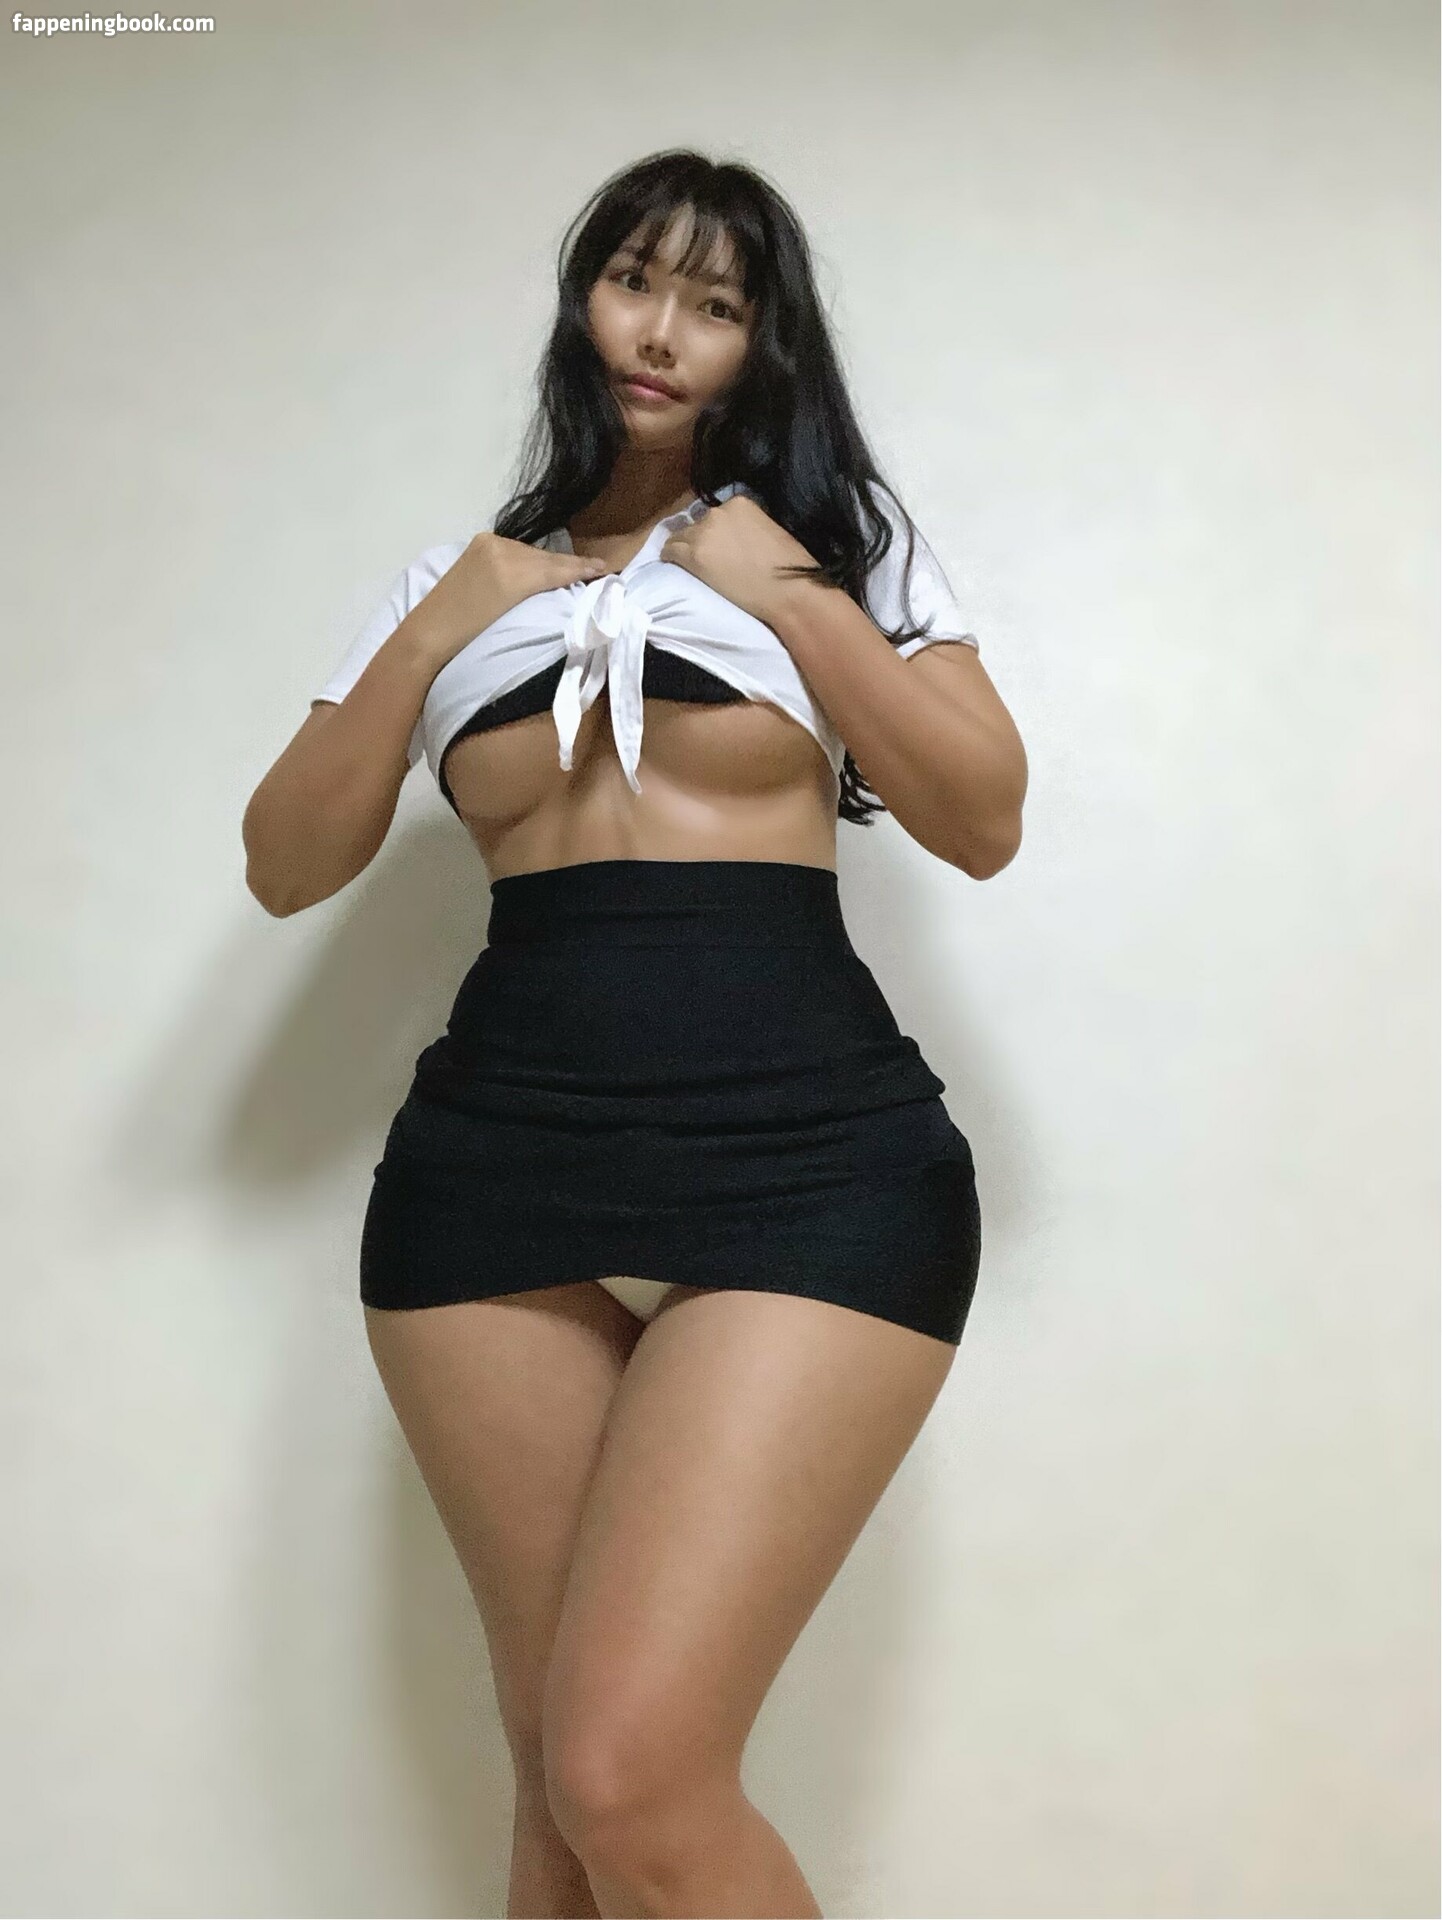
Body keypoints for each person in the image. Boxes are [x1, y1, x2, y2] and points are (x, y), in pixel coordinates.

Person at [243, 148, 1027, 1920]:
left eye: (715, 304)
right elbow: (286, 865)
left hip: (811, 1160)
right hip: (491, 1170)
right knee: (555, 1795)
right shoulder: (455, 582)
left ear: (763, 345)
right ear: (580, 299)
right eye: (631, 281)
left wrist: (795, 599)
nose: (661, 332)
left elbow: (981, 817)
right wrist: (436, 630)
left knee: (634, 1773)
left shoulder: (840, 546)